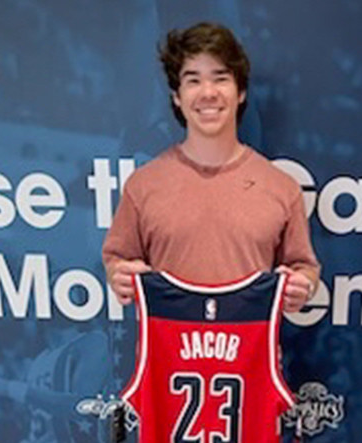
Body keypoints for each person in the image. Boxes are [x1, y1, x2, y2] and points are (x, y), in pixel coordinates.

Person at [102, 22, 320, 312]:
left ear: (240, 91)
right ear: (176, 97)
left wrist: (301, 285)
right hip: (168, 356)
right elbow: (117, 261)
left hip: (251, 356)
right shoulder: (142, 186)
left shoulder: (281, 188)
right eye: (193, 80)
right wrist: (119, 275)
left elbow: (305, 269)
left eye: (220, 78)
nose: (208, 92)